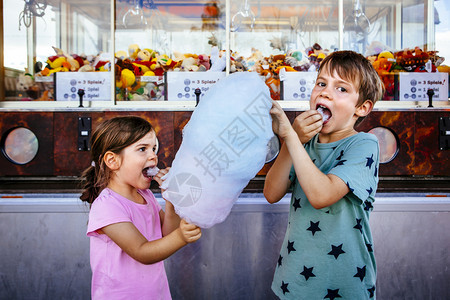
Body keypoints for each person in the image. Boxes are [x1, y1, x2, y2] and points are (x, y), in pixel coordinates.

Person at [264, 50, 384, 299]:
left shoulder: (363, 145)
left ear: (361, 108)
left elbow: (322, 194)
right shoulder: (304, 143)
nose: (325, 92)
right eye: (321, 83)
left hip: (345, 283)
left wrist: (290, 136)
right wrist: (293, 140)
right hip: (294, 280)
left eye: (341, 89)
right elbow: (271, 193)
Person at [80, 116, 202, 300]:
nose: (153, 155)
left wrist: (171, 201)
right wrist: (181, 236)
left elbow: (165, 235)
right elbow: (142, 251)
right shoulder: (107, 206)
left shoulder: (146, 196)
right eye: (142, 149)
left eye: (154, 148)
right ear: (113, 161)